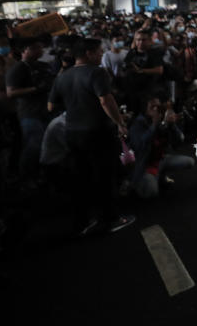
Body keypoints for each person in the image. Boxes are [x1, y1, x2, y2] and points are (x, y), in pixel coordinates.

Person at [48, 37, 133, 235]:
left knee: (81, 178)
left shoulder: (63, 76)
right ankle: (111, 219)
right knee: (105, 177)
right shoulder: (97, 72)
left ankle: (83, 221)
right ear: (88, 53)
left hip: (72, 133)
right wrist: (119, 122)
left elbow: (51, 106)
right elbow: (106, 100)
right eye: (98, 52)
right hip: (98, 132)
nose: (101, 55)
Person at [128, 94, 193, 198]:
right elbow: (140, 146)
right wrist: (154, 125)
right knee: (151, 193)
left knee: (189, 162)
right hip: (145, 164)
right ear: (145, 109)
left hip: (160, 160)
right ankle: (139, 183)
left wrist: (173, 125)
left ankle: (160, 175)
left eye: (158, 107)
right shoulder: (137, 125)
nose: (156, 110)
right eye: (152, 107)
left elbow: (178, 141)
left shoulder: (162, 121)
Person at [5, 38, 53, 180]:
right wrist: (36, 88)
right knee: (33, 146)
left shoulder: (42, 66)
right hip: (29, 113)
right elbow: (11, 92)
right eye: (37, 48)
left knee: (45, 145)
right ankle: (27, 177)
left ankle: (41, 173)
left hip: (45, 111)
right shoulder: (18, 68)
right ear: (25, 50)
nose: (41, 50)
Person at [122, 29, 164, 115]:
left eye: (143, 40)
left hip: (148, 91)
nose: (140, 42)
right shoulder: (132, 52)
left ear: (149, 41)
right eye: (138, 40)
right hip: (132, 90)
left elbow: (159, 70)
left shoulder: (154, 53)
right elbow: (125, 66)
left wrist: (141, 71)